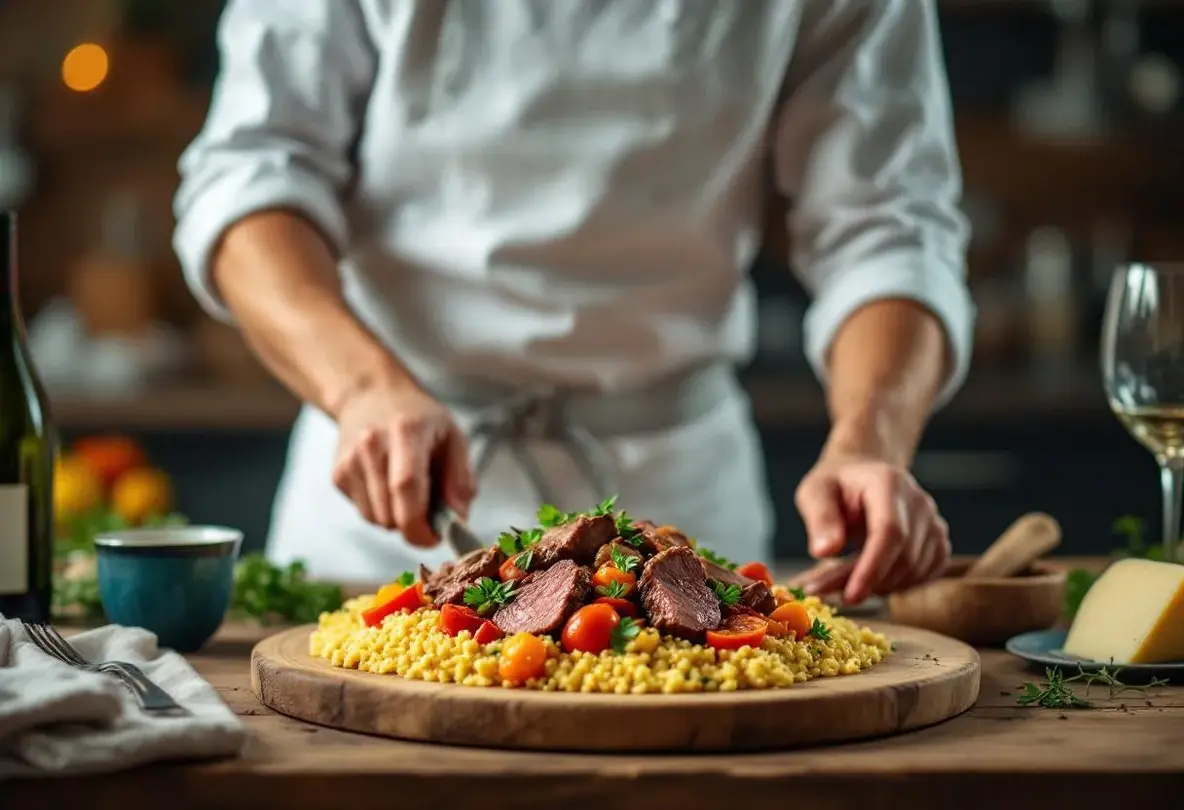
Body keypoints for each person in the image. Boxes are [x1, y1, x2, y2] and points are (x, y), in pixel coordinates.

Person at [173, 0, 973, 605]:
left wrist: (869, 437)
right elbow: (250, 179)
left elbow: (890, 227)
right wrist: (361, 388)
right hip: (388, 491)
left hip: (678, 491)